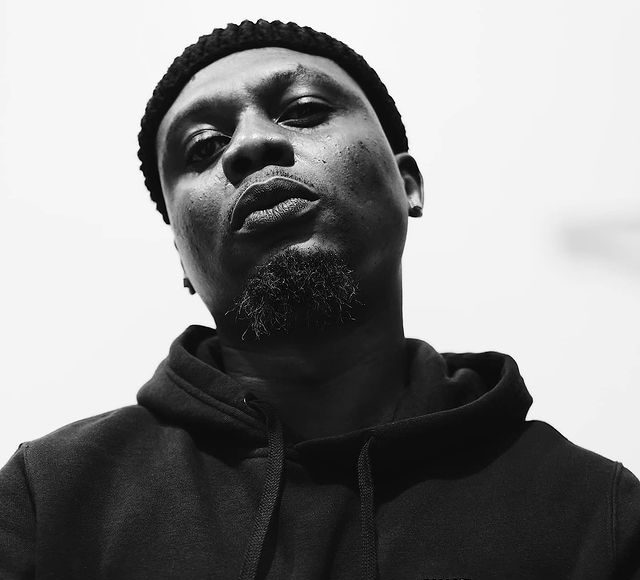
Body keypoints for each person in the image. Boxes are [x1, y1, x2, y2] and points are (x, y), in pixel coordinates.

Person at [1, 18, 638, 580]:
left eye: (303, 110)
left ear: (408, 186)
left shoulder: (594, 512)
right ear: (181, 259)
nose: (249, 146)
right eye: (203, 147)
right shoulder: (50, 499)